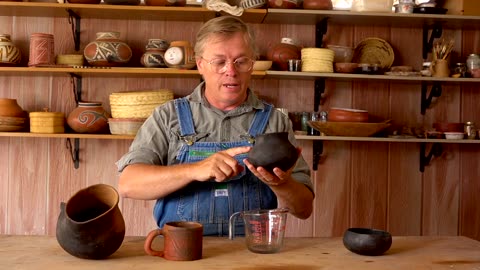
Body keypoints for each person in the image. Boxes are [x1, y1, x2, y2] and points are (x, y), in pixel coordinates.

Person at [116, 15, 314, 236]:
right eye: (219, 62)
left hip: (250, 253)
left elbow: (304, 209)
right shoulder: (167, 116)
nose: (231, 71)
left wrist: (282, 185)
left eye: (241, 61)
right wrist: (195, 169)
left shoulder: (275, 121)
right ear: (200, 64)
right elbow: (128, 184)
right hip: (182, 251)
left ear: (252, 64)